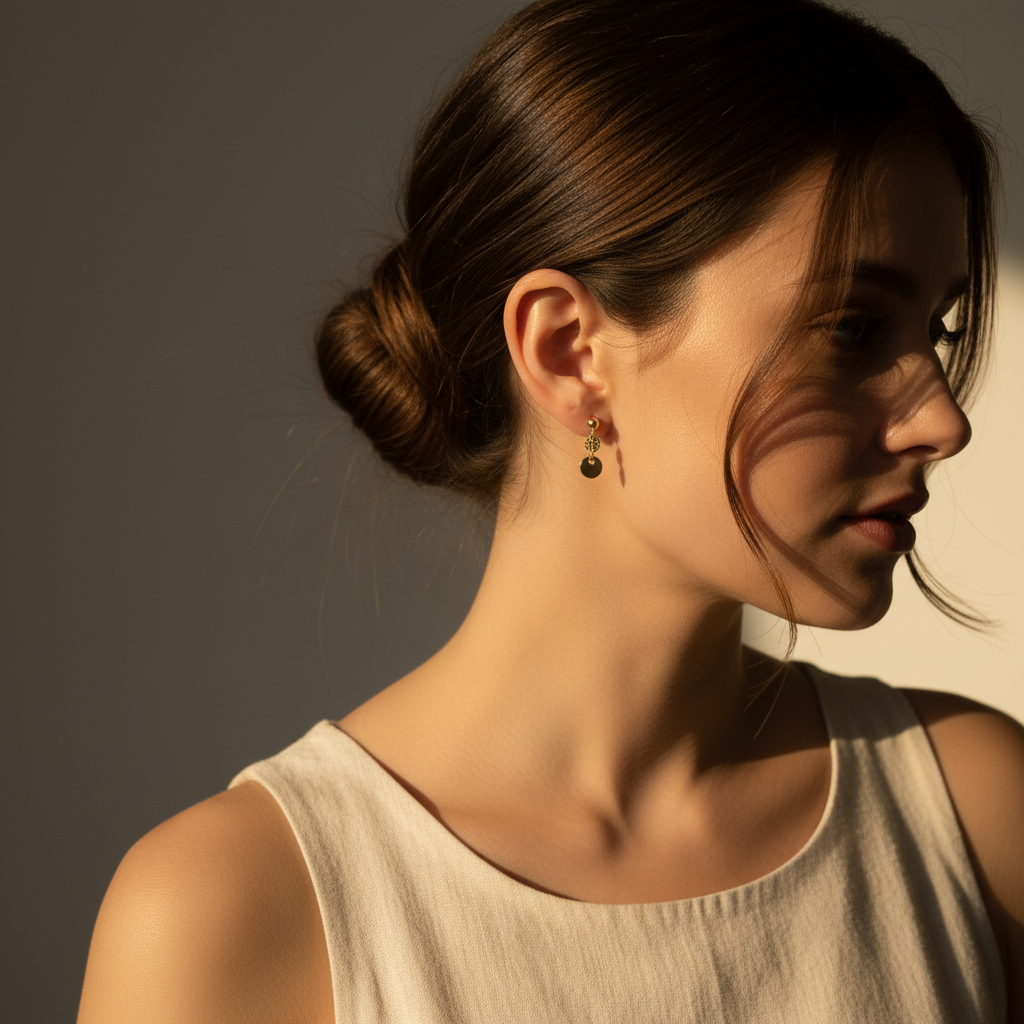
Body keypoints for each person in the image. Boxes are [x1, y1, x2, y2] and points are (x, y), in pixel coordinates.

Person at [77, 0, 1023, 1020]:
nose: (940, 419)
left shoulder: (976, 815)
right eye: (848, 328)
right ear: (569, 349)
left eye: (936, 327)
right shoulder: (233, 912)